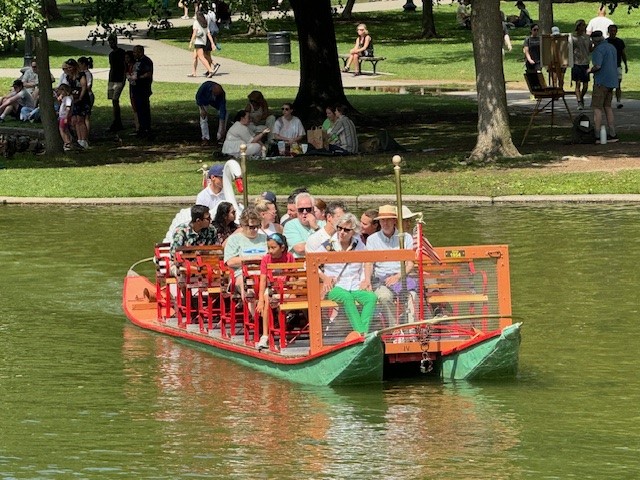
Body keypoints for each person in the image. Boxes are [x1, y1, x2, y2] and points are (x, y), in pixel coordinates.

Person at [321, 213, 377, 334]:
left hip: (355, 285)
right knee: (347, 298)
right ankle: (361, 333)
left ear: (354, 231)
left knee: (371, 298)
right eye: (339, 228)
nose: (342, 232)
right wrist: (325, 278)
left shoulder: (359, 245)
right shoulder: (328, 245)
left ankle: (362, 332)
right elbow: (308, 264)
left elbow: (366, 262)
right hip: (335, 287)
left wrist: (366, 279)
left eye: (346, 230)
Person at [362, 205, 415, 326]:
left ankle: (412, 330)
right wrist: (367, 280)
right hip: (382, 281)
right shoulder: (372, 239)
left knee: (413, 295)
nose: (385, 223)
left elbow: (410, 264)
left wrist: (397, 276)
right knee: (385, 297)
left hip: (402, 279)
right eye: (382, 220)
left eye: (388, 219)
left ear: (394, 221)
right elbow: (368, 263)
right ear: (379, 222)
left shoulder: (406, 238)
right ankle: (394, 329)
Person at [255, 232, 296, 349]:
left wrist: (291, 292)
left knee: (284, 302)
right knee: (268, 299)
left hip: (285, 288)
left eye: (273, 247)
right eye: (268, 247)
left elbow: (292, 277)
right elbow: (263, 280)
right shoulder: (266, 259)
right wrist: (260, 299)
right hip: (272, 288)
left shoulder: (289, 257)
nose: (270, 251)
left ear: (282, 247)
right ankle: (265, 336)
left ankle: (285, 332)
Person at [588, 30, 619, 143]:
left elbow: (598, 66)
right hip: (612, 81)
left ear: (594, 41)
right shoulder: (611, 47)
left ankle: (597, 135)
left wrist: (589, 70)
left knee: (597, 108)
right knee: (608, 107)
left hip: (601, 81)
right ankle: (612, 133)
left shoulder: (598, 50)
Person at [283, 191, 324, 258]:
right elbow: (300, 249)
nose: (304, 212)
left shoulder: (323, 224)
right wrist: (321, 245)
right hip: (299, 265)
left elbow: (330, 247)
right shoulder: (290, 225)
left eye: (308, 209)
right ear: (296, 210)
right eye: (301, 210)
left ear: (313, 209)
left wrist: (316, 228)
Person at [130, 46, 154, 138]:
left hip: (143, 88)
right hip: (136, 88)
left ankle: (146, 128)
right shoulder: (136, 61)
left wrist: (138, 78)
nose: (134, 54)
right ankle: (141, 128)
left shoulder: (146, 61)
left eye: (135, 52)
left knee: (144, 109)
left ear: (140, 52)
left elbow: (148, 74)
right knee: (138, 109)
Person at [188, 12, 218, 78]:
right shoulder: (205, 23)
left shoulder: (196, 22)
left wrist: (191, 42)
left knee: (201, 57)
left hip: (198, 42)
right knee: (195, 57)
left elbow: (194, 33)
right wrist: (212, 43)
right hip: (203, 42)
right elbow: (208, 34)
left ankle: (210, 70)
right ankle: (194, 72)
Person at [196, 80, 227, 145]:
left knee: (225, 114)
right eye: (215, 94)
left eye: (217, 95)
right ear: (212, 90)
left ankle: (220, 136)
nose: (216, 95)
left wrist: (222, 125)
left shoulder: (221, 94)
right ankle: (205, 138)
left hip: (215, 103)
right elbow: (198, 97)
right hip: (204, 101)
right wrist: (202, 109)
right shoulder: (205, 86)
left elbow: (222, 109)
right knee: (203, 118)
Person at [107, 34, 126, 132]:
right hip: (112, 79)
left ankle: (118, 122)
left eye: (112, 42)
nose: (111, 44)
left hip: (119, 79)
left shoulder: (121, 53)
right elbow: (111, 68)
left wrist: (123, 79)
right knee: (113, 101)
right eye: (109, 42)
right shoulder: (111, 54)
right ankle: (116, 121)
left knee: (115, 99)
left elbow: (124, 67)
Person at [607, 25, 628, 109]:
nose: (613, 32)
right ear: (608, 31)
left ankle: (618, 101)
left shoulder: (620, 42)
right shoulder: (606, 42)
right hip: (608, 67)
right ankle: (608, 101)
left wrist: (626, 64)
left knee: (618, 84)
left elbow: (623, 54)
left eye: (614, 31)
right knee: (609, 86)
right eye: (611, 31)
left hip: (617, 66)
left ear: (616, 31)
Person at [572, 19, 591, 111]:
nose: (583, 27)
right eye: (582, 25)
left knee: (586, 85)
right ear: (578, 26)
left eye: (584, 25)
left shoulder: (587, 37)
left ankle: (582, 96)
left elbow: (590, 48)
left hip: (586, 63)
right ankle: (579, 101)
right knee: (578, 83)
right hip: (577, 62)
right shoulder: (573, 37)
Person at [77, 56, 94, 137]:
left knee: (86, 117)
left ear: (83, 64)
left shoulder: (87, 74)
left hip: (88, 96)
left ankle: (87, 135)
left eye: (79, 64)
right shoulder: (80, 74)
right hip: (82, 96)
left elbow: (88, 86)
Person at [124, 50, 139, 133]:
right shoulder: (128, 66)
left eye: (127, 57)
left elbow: (133, 79)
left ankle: (138, 126)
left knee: (136, 107)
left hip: (136, 88)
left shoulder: (134, 66)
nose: (126, 59)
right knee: (134, 107)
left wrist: (128, 76)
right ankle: (137, 126)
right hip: (132, 88)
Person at [56, 84, 74, 152]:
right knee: (65, 129)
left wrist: (66, 117)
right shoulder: (65, 98)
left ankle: (67, 142)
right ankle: (68, 142)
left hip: (64, 116)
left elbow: (68, 108)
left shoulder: (68, 98)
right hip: (62, 116)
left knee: (62, 129)